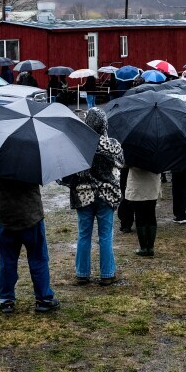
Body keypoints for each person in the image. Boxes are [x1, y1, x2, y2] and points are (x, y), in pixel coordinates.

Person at [0, 166, 59, 314]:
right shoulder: (34, 155)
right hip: (31, 214)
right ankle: (43, 298)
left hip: (4, 216)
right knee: (38, 257)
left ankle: (6, 300)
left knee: (7, 259)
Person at [58, 108, 124, 286]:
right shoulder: (113, 145)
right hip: (106, 196)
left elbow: (66, 170)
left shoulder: (79, 144)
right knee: (105, 236)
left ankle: (82, 273)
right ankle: (107, 273)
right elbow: (121, 164)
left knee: (84, 235)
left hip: (83, 196)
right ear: (104, 123)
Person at [125, 167, 161, 256]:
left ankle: (144, 247)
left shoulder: (132, 154)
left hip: (136, 182)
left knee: (139, 214)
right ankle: (151, 247)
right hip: (153, 182)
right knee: (151, 213)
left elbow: (124, 164)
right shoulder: (157, 153)